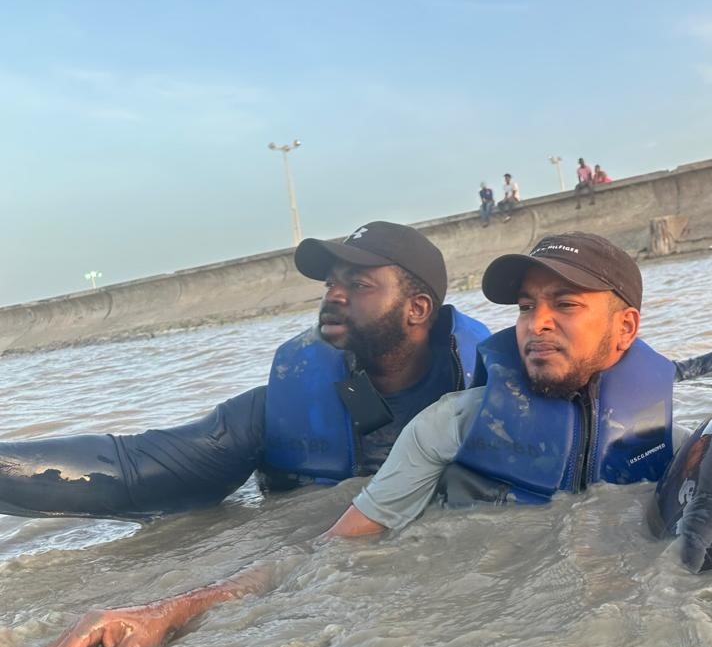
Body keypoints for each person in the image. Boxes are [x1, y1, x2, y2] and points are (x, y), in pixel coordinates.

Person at [38, 233, 712, 647]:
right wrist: (172, 609)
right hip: (462, 632)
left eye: (565, 305)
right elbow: (327, 552)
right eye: (526, 307)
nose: (537, 324)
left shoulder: (672, 439)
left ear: (625, 332)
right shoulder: (449, 426)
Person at [0, 222, 491, 520]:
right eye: (330, 283)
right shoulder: (275, 410)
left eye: (358, 284)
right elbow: (135, 468)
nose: (333, 295)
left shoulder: (495, 394)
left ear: (418, 309)